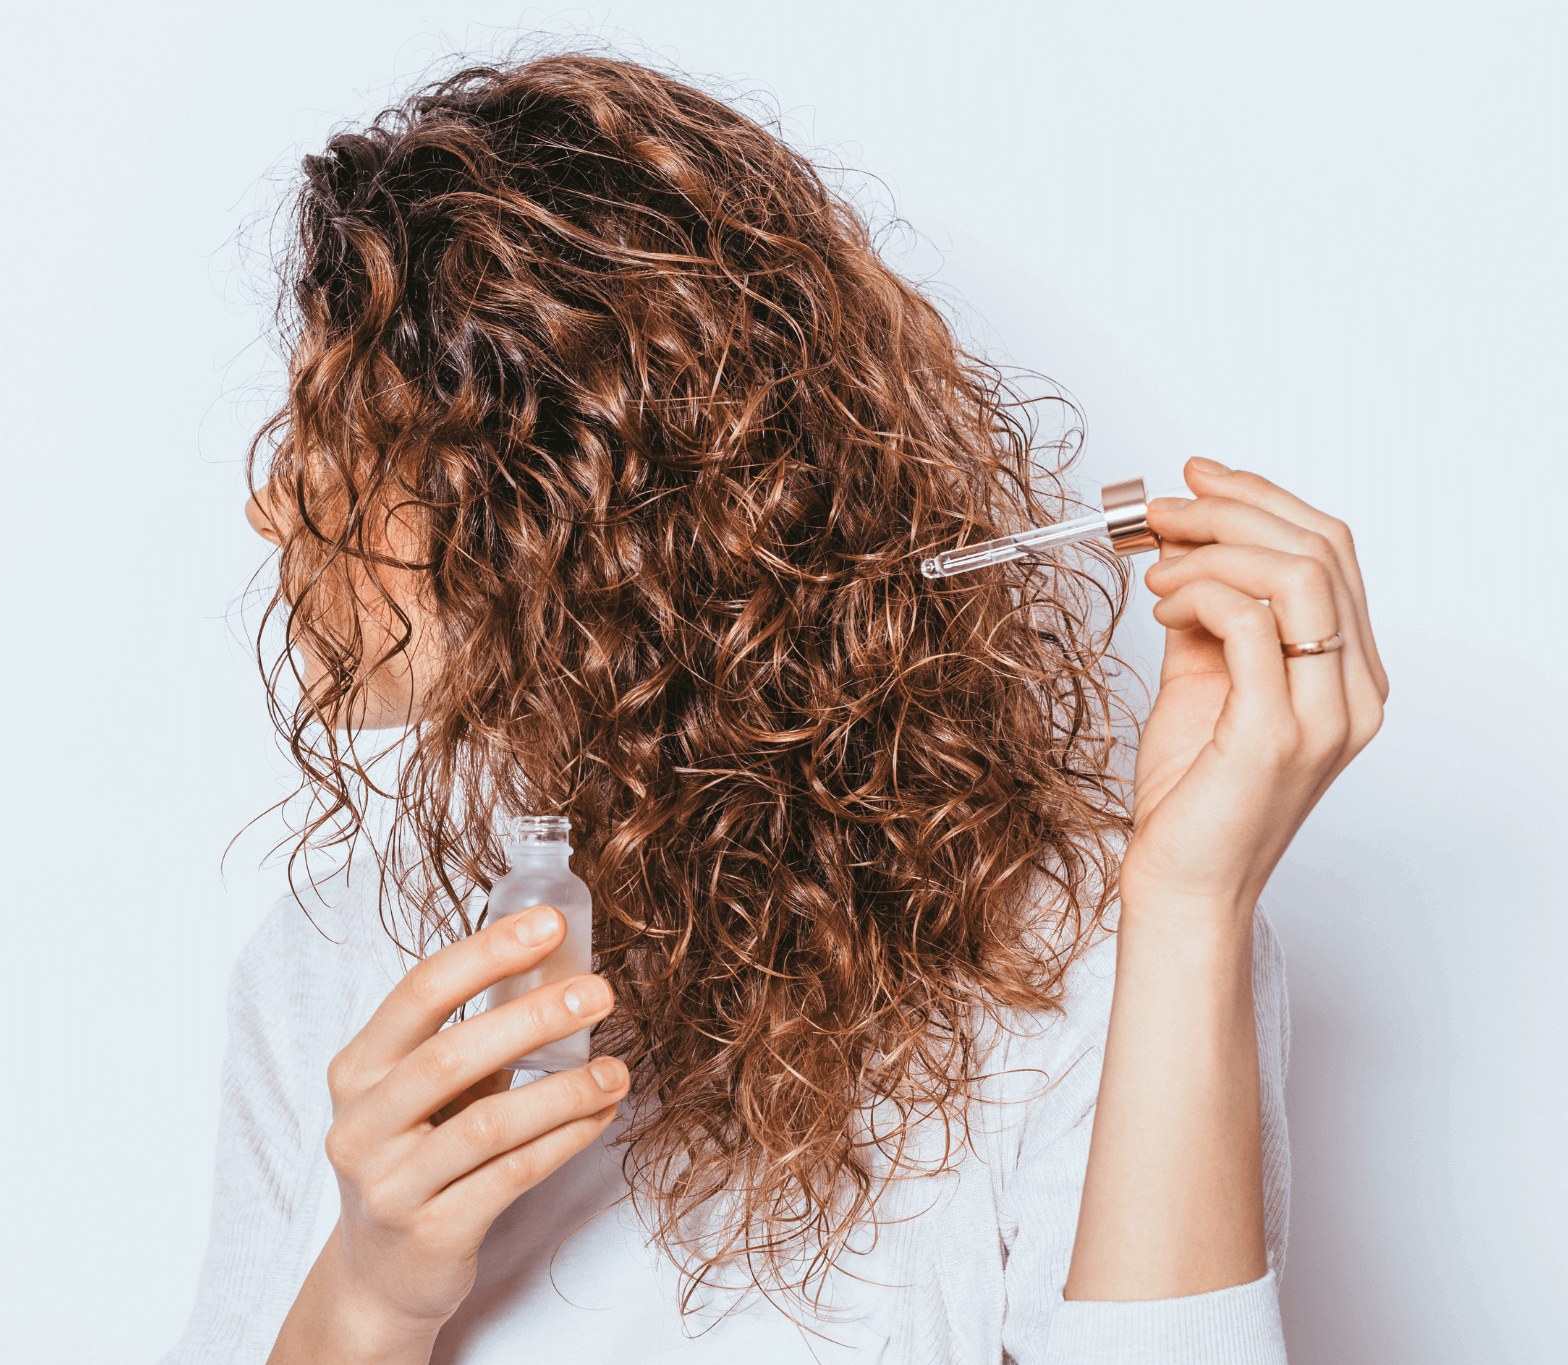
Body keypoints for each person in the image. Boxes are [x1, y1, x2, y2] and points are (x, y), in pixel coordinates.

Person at [160, 49, 1387, 1365]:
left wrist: (1191, 911)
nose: (270, 502)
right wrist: (368, 1294)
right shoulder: (333, 958)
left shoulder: (1096, 939)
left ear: (555, 498)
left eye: (337, 436)